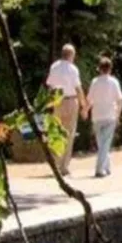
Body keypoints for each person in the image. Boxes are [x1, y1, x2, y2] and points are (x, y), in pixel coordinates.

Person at [44, 44, 86, 175]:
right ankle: (64, 166)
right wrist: (84, 105)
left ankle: (56, 164)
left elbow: (50, 87)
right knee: (69, 134)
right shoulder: (73, 69)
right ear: (71, 55)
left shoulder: (54, 66)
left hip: (58, 101)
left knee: (57, 133)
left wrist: (50, 103)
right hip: (71, 101)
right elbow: (78, 88)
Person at [86, 56, 122, 178]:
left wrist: (85, 110)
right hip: (109, 115)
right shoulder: (114, 82)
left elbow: (90, 100)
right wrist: (118, 114)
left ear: (99, 69)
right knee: (105, 143)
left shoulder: (94, 82)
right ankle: (99, 169)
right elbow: (120, 100)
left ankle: (106, 167)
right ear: (110, 69)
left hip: (97, 115)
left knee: (102, 143)